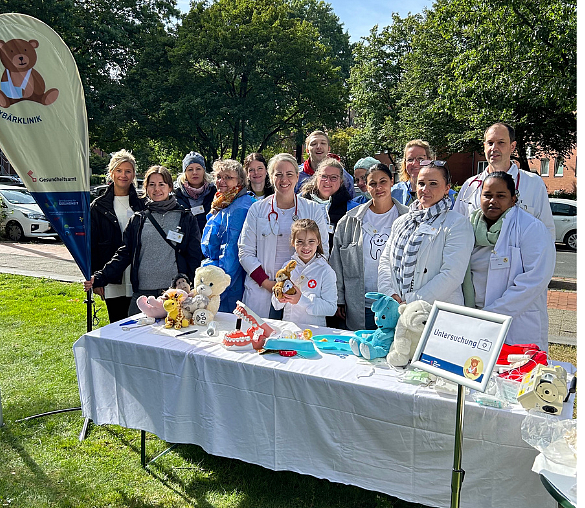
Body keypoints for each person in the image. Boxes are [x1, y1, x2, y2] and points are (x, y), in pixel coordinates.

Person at [84, 165, 202, 316]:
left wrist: (191, 286)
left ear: (170, 187)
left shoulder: (186, 218)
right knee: (134, 336)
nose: (156, 189)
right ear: (146, 188)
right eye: (151, 185)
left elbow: (194, 256)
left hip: (175, 293)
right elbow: (123, 254)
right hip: (143, 294)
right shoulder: (138, 220)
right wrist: (100, 277)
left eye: (161, 184)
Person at [463, 172, 555, 352]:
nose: (493, 201)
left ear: (513, 199)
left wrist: (492, 315)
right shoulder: (468, 227)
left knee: (515, 375)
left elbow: (534, 280)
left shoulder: (531, 228)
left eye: (501, 196)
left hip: (517, 323)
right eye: (487, 195)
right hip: (474, 317)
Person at [238, 152, 329, 319]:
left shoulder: (313, 210)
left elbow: (323, 252)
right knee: (263, 340)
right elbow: (245, 252)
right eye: (278, 174)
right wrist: (269, 284)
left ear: (297, 176)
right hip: (263, 290)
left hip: (301, 291)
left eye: (288, 174)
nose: (283, 179)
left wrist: (299, 284)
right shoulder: (257, 210)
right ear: (271, 177)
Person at [379, 160, 473, 305]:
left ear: (447, 188)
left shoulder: (457, 223)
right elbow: (386, 261)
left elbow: (452, 275)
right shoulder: (401, 222)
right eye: (421, 183)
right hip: (397, 307)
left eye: (433, 183)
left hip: (435, 311)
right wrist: (389, 294)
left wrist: (410, 301)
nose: (425, 189)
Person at [330, 163, 408, 330]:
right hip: (360, 305)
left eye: (383, 181)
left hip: (397, 303)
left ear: (392, 181)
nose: (378, 187)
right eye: (373, 183)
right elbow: (337, 261)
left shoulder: (408, 218)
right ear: (366, 186)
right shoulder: (349, 221)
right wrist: (339, 298)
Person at [453, 122, 555, 240]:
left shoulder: (533, 183)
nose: (494, 148)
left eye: (501, 143)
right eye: (490, 143)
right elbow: (456, 228)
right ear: (484, 146)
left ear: (512, 147)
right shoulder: (470, 186)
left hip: (518, 257)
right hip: (476, 257)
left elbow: (546, 230)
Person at [90, 149, 146, 322]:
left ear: (134, 174)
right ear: (111, 173)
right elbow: (92, 245)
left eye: (128, 171)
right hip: (111, 276)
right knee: (117, 324)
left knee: (141, 324)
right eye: (119, 170)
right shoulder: (98, 206)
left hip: (138, 275)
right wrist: (97, 278)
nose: (123, 175)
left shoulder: (143, 204)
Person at [201, 159, 255, 312]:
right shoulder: (223, 202)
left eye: (228, 177)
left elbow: (231, 252)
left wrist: (219, 287)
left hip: (228, 281)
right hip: (216, 271)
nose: (221, 181)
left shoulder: (239, 207)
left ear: (240, 181)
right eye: (219, 176)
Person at [271, 219, 337, 326]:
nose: (306, 246)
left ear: (318, 242)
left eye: (311, 241)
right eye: (300, 242)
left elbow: (331, 308)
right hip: (289, 328)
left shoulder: (325, 271)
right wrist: (279, 298)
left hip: (314, 331)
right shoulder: (286, 267)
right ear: (293, 242)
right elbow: (276, 305)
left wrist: (302, 300)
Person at [300, 157, 359, 252]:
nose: (328, 181)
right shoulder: (300, 203)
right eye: (324, 176)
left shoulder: (352, 209)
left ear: (341, 181)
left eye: (334, 178)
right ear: (316, 177)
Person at [391, 140, 456, 207]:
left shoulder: (445, 193)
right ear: (404, 163)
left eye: (420, 158)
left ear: (429, 160)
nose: (414, 163)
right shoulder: (394, 192)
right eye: (410, 159)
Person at [295, 130, 355, 197]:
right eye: (314, 144)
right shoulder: (296, 174)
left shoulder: (344, 176)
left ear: (328, 149)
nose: (319, 147)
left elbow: (351, 203)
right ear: (307, 150)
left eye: (323, 143)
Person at [175, 151, 216, 234]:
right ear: (185, 173)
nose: (194, 172)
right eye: (190, 169)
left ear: (204, 171)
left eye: (198, 168)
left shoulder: (215, 192)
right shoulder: (175, 194)